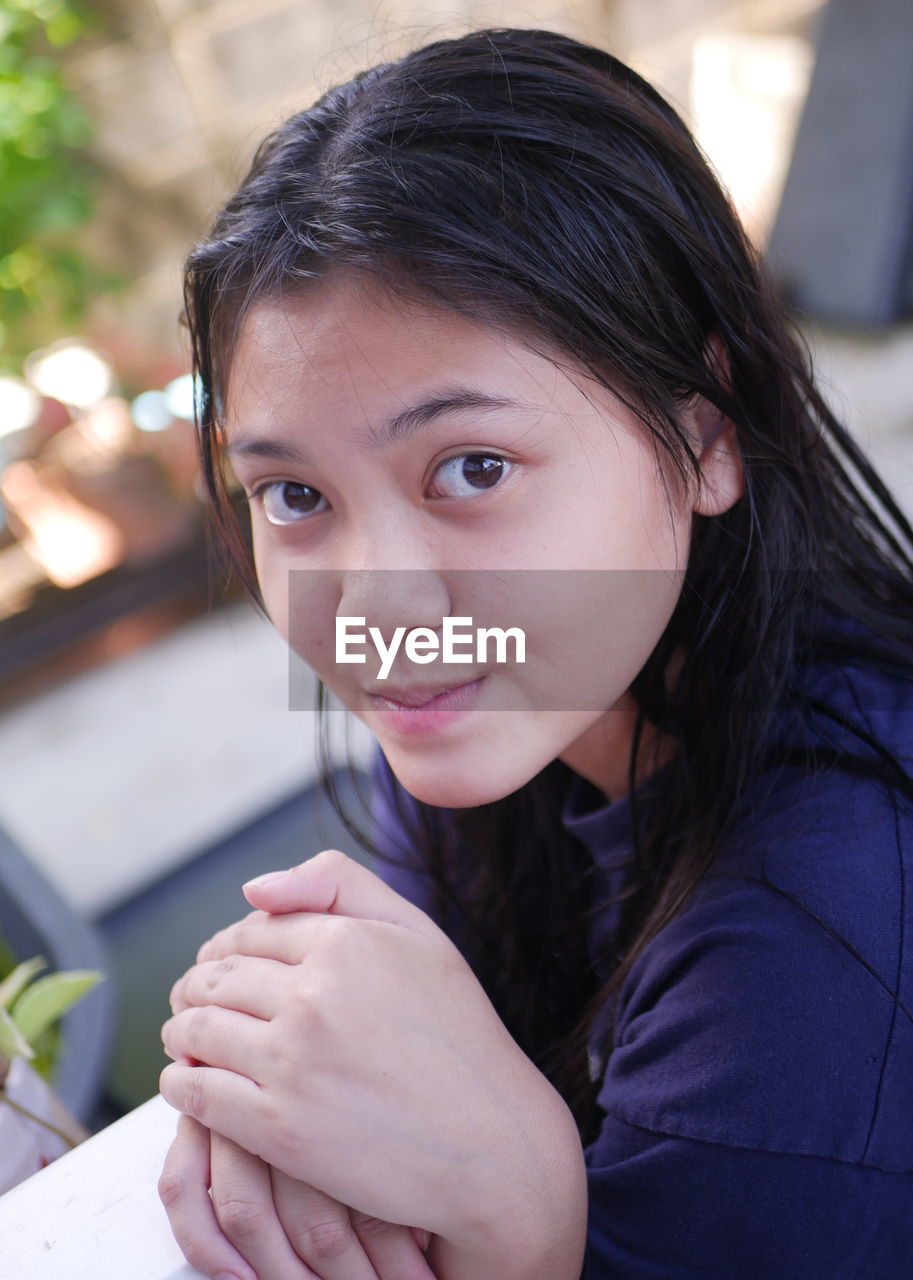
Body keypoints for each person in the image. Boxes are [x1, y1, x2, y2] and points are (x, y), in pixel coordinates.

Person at [155, 26, 913, 1280]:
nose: (376, 607)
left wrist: (523, 1233)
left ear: (707, 432)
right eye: (292, 495)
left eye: (472, 468)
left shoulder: (816, 954)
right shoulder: (528, 709)